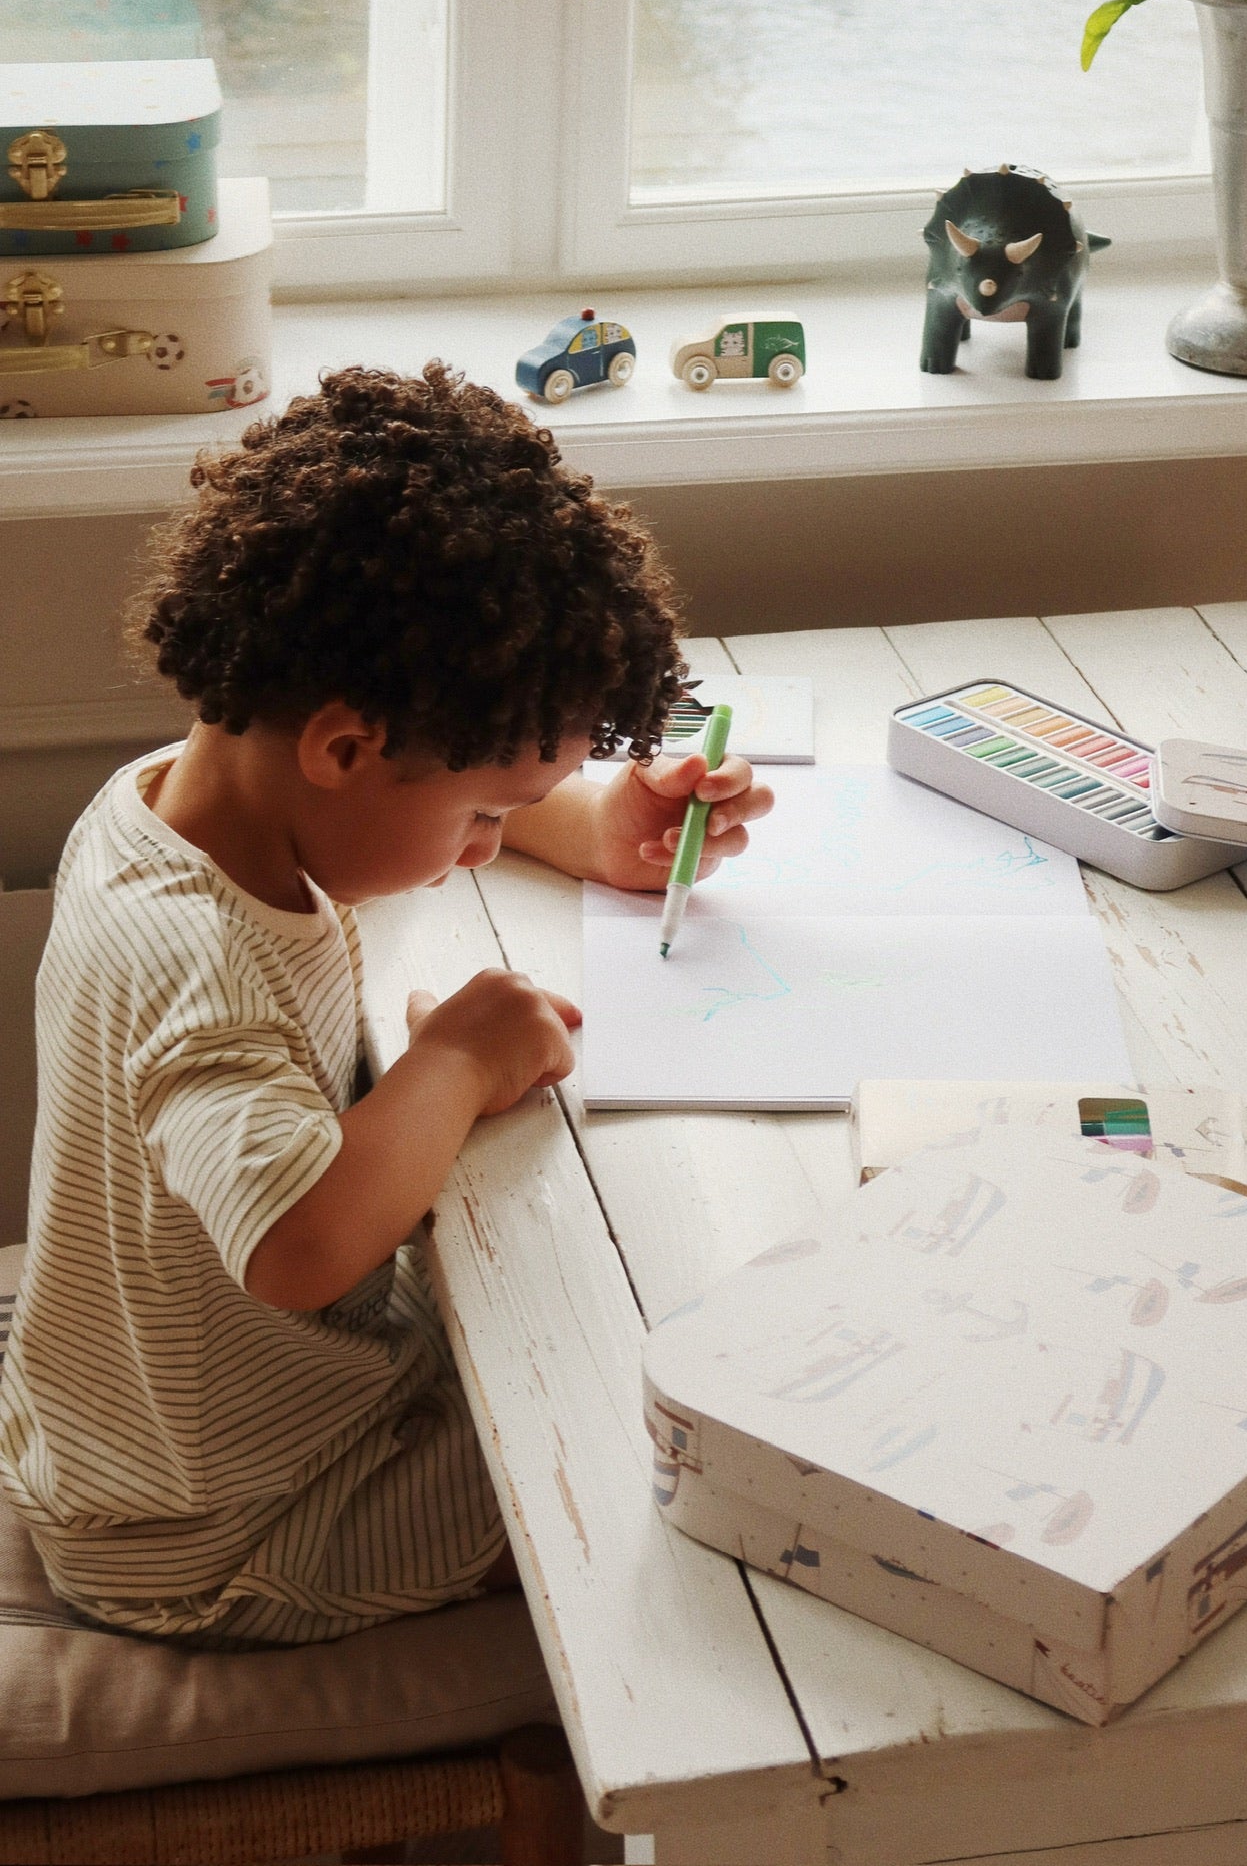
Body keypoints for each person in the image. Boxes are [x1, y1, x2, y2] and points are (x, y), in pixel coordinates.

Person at [0, 362, 771, 1648]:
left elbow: (424, 788)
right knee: (634, 1451)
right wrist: (452, 1065)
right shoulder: (193, 963)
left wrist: (598, 832)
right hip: (225, 1522)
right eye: (486, 814)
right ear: (347, 747)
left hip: (171, 1421)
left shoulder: (181, 797)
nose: (489, 844)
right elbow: (298, 1249)